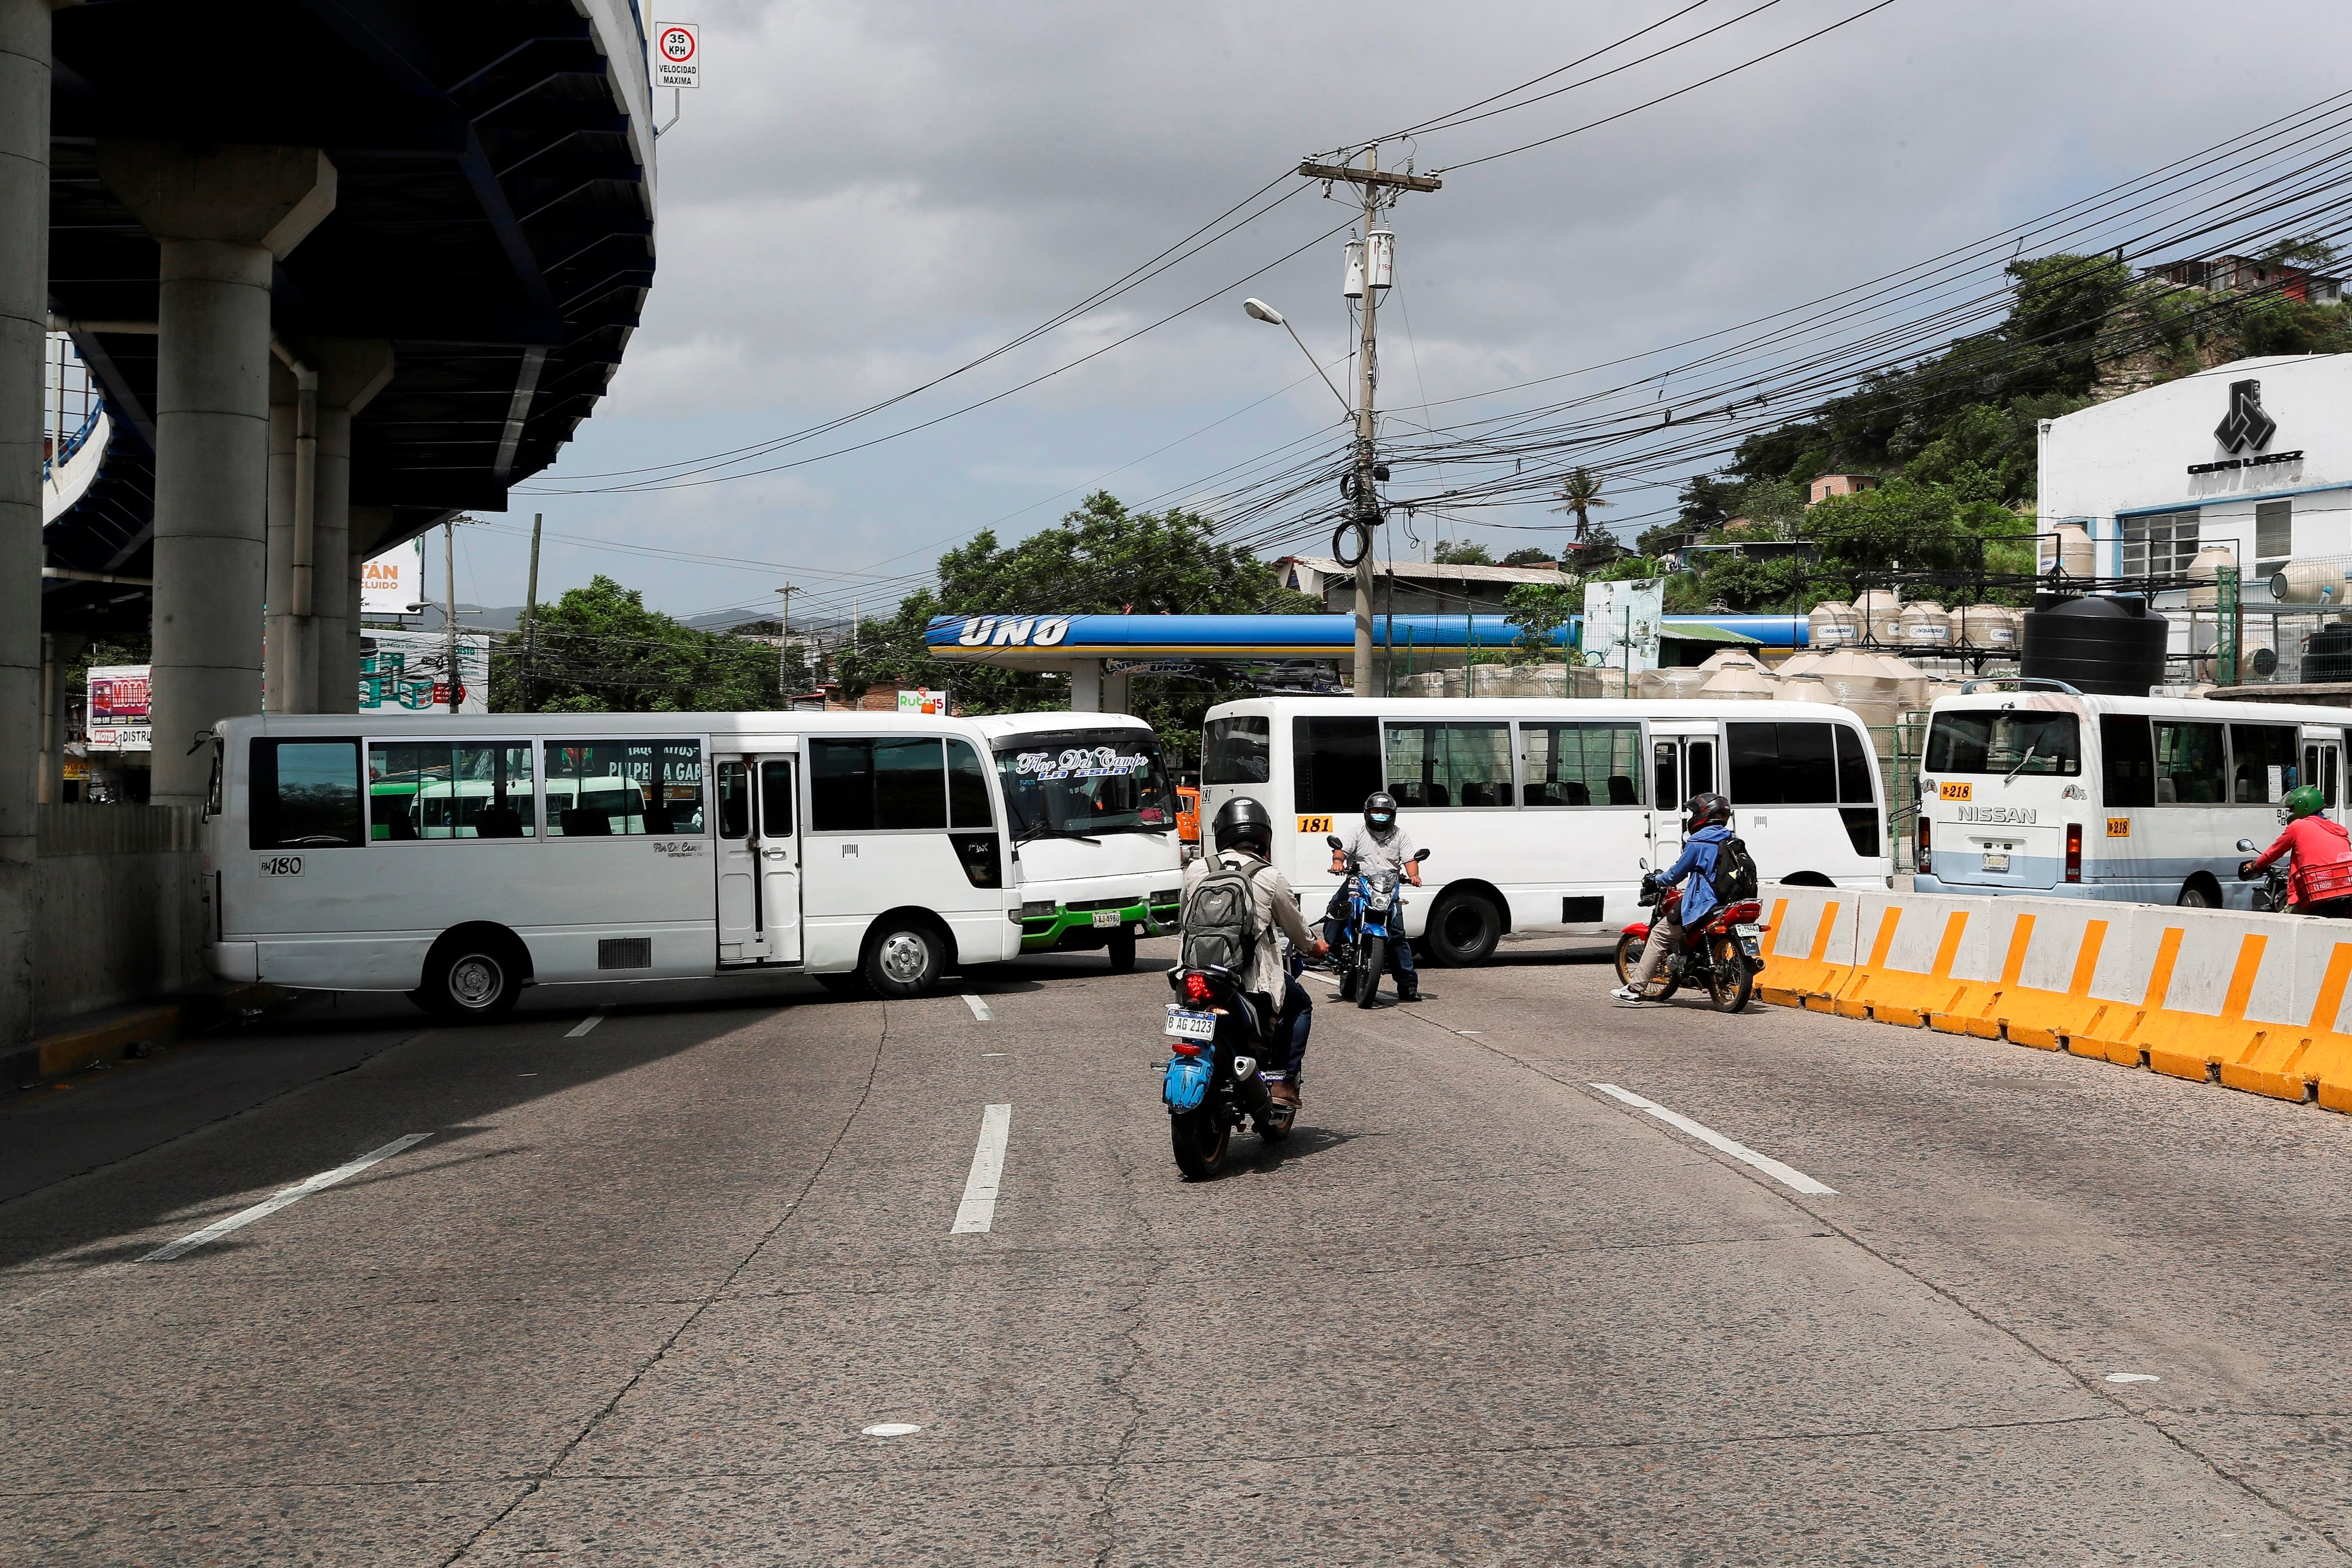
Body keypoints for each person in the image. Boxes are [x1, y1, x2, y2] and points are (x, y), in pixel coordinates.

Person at [1184, 796, 1329, 1108]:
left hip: (1193, 971)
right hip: (1248, 978)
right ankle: (1283, 1083)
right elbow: (1297, 930)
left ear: (1220, 832)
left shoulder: (1196, 869)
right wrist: (1316, 947)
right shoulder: (1269, 876)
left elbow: (1186, 920)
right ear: (1264, 836)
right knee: (1301, 1004)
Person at [1613, 793, 1736, 1004]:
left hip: (1704, 903)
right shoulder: (1731, 839)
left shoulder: (1698, 842)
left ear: (1704, 815)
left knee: (1660, 935)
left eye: (1695, 812)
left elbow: (1676, 874)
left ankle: (1635, 989)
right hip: (1728, 901)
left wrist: (1657, 879)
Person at [1324, 790, 1423, 1003]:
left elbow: (1409, 859)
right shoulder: (1357, 832)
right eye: (1376, 812)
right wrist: (1338, 862)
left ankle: (1408, 986)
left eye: (1385, 813)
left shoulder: (1400, 835)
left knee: (1397, 934)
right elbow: (1341, 850)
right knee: (1336, 910)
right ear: (1367, 813)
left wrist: (1414, 876)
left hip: (1386, 888)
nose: (1380, 816)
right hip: (1359, 882)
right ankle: (1328, 951)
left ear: (1393, 815)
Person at [2241, 785, 2352, 916]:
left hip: (2314, 892)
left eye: (2292, 808)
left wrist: (2255, 866)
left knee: (2282, 924)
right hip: (2343, 890)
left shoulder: (2298, 827)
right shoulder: (2338, 830)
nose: (2290, 812)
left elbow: (2274, 852)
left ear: (2303, 805)